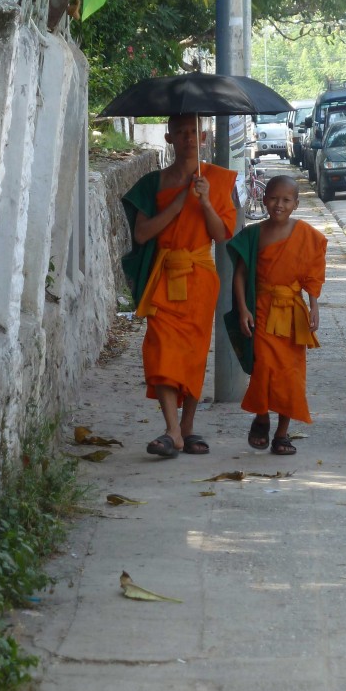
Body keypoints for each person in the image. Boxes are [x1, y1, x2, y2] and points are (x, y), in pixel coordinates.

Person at [121, 115, 237, 458]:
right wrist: (177, 204)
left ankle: (185, 428)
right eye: (181, 132)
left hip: (199, 277)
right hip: (164, 275)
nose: (188, 138)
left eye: (193, 132)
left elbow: (221, 235)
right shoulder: (154, 184)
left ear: (202, 136)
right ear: (169, 137)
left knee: (193, 355)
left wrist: (203, 201)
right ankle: (172, 429)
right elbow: (141, 234)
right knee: (160, 350)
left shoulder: (215, 179)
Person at [226, 175, 327, 455]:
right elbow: (240, 274)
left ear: (296, 203)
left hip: (293, 314)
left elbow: (312, 274)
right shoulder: (254, 234)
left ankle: (282, 434)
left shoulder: (305, 234)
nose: (278, 205)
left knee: (290, 376)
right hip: (262, 308)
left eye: (286, 200)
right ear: (263, 198)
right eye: (273, 198)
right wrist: (243, 309)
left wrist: (314, 305)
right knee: (264, 368)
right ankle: (261, 416)